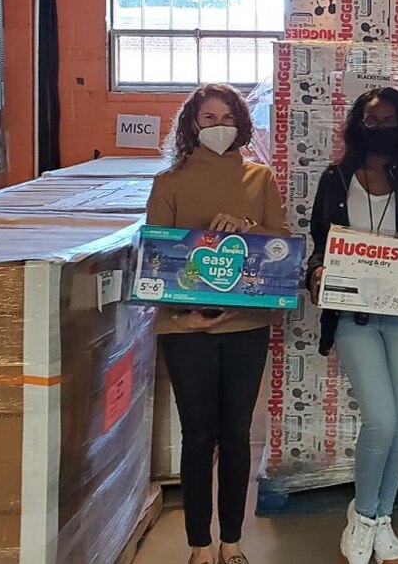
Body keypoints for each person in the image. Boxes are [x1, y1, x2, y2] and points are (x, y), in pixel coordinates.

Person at [146, 84, 290, 564]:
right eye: (208, 117)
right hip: (185, 330)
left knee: (235, 434)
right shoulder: (168, 182)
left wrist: (248, 225)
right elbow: (156, 261)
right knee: (198, 435)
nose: (218, 126)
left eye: (226, 116)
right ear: (191, 124)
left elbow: (280, 246)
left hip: (246, 326)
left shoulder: (260, 178)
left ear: (241, 123)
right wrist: (181, 315)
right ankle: (198, 545)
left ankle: (231, 540)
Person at [306, 87, 398, 564]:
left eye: (389, 120)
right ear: (356, 125)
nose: (380, 127)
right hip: (354, 317)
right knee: (381, 418)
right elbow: (319, 246)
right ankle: (362, 513)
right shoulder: (335, 178)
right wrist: (318, 275)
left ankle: (381, 517)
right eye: (371, 120)